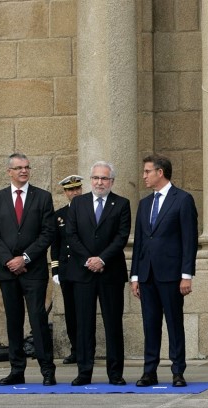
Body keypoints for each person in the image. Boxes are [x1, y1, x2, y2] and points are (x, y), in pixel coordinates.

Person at [0, 153, 57, 386]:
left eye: (27, 167)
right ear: (9, 172)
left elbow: (47, 233)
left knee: (37, 319)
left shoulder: (43, 197)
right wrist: (9, 260)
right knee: (13, 321)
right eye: (18, 168)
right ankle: (17, 369)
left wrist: (24, 258)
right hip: (8, 271)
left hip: (33, 270)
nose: (23, 171)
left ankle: (47, 369)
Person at [130, 154, 198, 388]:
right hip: (147, 274)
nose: (144, 176)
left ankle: (178, 371)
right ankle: (150, 371)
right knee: (150, 324)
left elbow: (189, 240)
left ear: (160, 172)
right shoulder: (145, 203)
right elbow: (140, 240)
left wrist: (186, 275)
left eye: (147, 171)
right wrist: (135, 275)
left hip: (171, 275)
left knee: (174, 323)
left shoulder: (183, 200)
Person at [65, 161, 131, 386]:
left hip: (110, 272)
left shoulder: (122, 204)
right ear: (90, 180)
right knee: (84, 324)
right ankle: (84, 372)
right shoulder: (78, 204)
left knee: (113, 324)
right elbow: (71, 235)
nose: (99, 182)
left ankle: (115, 373)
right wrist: (88, 260)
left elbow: (121, 237)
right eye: (95, 178)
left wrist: (102, 259)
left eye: (104, 178)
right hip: (82, 273)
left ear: (111, 181)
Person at [50, 174, 83, 365]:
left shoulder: (88, 210)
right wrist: (55, 270)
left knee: (84, 312)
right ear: (65, 192)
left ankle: (87, 349)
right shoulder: (60, 215)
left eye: (77, 188)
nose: (75, 192)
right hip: (66, 270)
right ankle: (75, 350)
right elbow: (56, 244)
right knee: (70, 312)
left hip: (83, 268)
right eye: (70, 190)